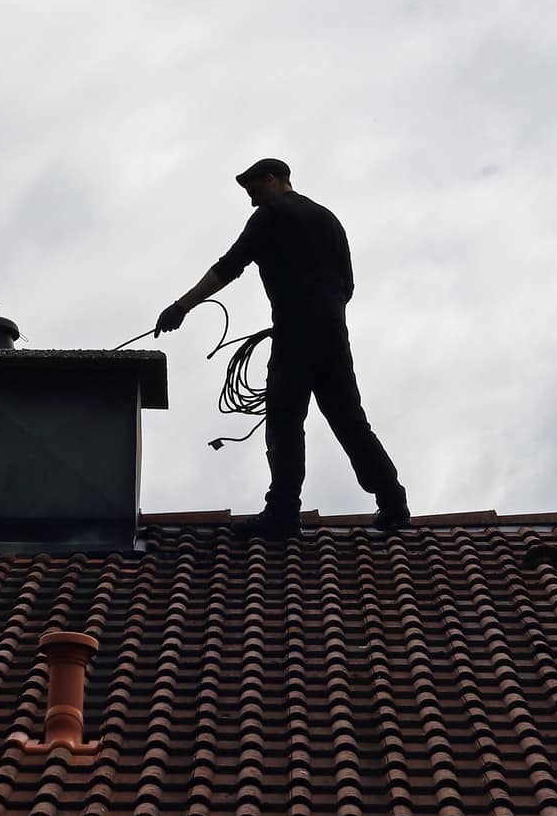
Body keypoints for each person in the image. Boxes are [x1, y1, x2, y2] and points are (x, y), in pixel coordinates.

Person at [156, 158, 410, 536]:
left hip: (295, 334)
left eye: (254, 191)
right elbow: (348, 287)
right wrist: (320, 311)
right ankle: (394, 505)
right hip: (334, 336)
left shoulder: (271, 216)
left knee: (284, 419)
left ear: (272, 179)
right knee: (350, 422)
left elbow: (230, 266)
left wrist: (182, 306)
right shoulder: (329, 219)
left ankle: (283, 512)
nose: (252, 201)